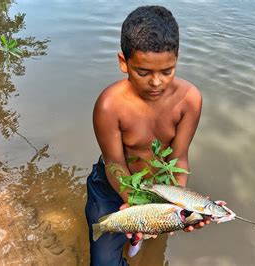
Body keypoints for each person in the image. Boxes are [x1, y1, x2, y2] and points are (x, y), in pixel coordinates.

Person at [85, 5, 208, 266]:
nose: (156, 83)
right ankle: (134, 240)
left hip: (160, 190)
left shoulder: (190, 100)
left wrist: (176, 204)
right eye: (143, 72)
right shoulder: (109, 106)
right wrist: (138, 208)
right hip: (112, 186)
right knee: (102, 260)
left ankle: (136, 241)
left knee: (152, 239)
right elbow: (114, 164)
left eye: (167, 71)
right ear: (123, 62)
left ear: (176, 59)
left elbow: (180, 157)